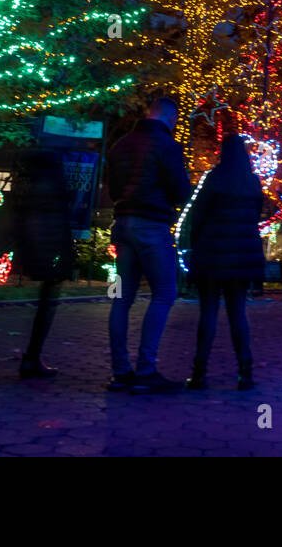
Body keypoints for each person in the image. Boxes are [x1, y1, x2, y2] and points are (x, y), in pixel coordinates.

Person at [105, 97, 192, 394]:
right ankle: (145, 369)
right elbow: (181, 191)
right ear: (170, 119)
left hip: (123, 224)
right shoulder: (168, 147)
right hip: (152, 225)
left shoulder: (121, 144)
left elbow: (111, 186)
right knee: (165, 293)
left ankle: (120, 372)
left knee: (122, 297)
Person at [186, 133, 266, 391]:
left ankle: (199, 373)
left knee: (208, 313)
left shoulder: (213, 178)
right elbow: (256, 215)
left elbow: (196, 216)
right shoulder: (252, 181)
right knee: (238, 314)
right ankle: (245, 372)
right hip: (242, 256)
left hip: (212, 255)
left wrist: (195, 245)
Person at [12, 147, 74, 378]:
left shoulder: (30, 185)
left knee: (44, 307)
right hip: (51, 254)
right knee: (46, 307)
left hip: (43, 252)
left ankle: (32, 357)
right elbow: (54, 225)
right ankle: (32, 357)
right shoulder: (51, 186)